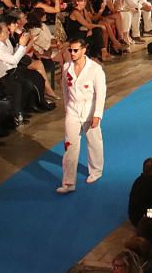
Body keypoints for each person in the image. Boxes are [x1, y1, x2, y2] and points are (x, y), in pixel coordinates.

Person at [57, 39, 107, 194]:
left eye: (75, 50)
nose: (72, 53)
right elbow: (65, 90)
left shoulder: (95, 69)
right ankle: (68, 182)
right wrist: (67, 108)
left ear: (84, 50)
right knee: (70, 145)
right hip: (72, 110)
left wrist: (97, 114)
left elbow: (101, 93)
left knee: (94, 141)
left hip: (89, 109)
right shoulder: (66, 68)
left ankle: (96, 170)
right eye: (70, 50)